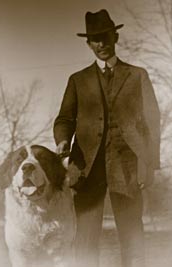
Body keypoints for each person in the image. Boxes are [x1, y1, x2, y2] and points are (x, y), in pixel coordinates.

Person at [53, 9, 160, 267]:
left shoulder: (137, 76)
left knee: (132, 235)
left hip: (127, 167)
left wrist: (149, 164)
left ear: (115, 37)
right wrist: (63, 139)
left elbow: (152, 122)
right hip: (86, 169)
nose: (101, 43)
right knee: (86, 238)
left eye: (105, 36)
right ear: (89, 44)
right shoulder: (77, 80)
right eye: (95, 39)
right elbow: (64, 119)